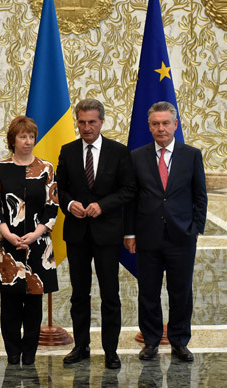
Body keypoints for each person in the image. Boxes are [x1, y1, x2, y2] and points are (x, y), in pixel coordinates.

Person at [124, 101, 207, 362]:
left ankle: (180, 341)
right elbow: (131, 198)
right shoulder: (136, 156)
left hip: (181, 236)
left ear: (175, 125)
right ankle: (150, 341)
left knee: (180, 291)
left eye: (166, 123)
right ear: (149, 127)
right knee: (148, 291)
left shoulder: (191, 155)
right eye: (156, 124)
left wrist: (195, 228)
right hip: (147, 236)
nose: (161, 128)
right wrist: (129, 233)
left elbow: (200, 195)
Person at [56, 98, 135, 369]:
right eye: (82, 122)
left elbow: (128, 190)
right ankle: (81, 346)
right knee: (79, 294)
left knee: (110, 294)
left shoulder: (119, 152)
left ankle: (110, 350)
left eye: (92, 122)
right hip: (77, 234)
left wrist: (103, 205)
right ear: (76, 122)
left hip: (107, 234)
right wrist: (69, 204)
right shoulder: (67, 151)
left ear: (102, 121)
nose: (86, 127)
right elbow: (60, 189)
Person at [0, 116, 58, 365]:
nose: (28, 142)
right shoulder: (0, 168)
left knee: (34, 304)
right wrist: (7, 234)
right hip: (6, 245)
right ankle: (12, 353)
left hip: (38, 246)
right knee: (10, 303)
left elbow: (52, 209)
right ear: (13, 140)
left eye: (31, 137)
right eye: (22, 137)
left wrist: (36, 233)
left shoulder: (47, 168)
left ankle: (29, 353)